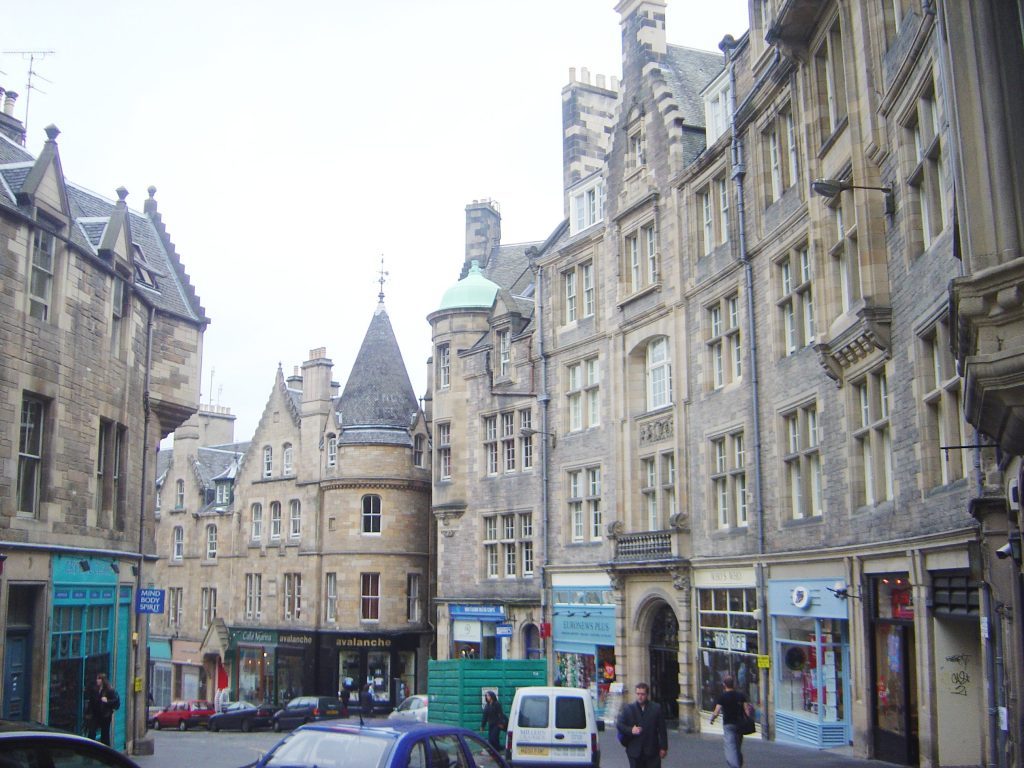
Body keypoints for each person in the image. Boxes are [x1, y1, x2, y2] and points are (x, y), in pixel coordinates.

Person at [616, 682, 667, 768]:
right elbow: (619, 725)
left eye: (642, 694)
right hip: (635, 751)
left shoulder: (656, 708)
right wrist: (630, 730)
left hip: (652, 751)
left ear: (647, 695)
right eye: (638, 694)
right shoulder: (628, 709)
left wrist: (664, 747)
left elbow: (662, 729)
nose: (640, 696)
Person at [709, 675, 754, 768]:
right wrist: (748, 719)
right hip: (740, 724)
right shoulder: (740, 695)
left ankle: (735, 766)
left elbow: (717, 711)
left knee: (730, 746)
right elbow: (747, 710)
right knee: (737, 746)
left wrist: (712, 719)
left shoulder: (722, 696)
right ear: (734, 684)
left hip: (728, 724)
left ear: (724, 685)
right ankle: (739, 762)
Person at [85, 673, 120, 746]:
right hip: (96, 714)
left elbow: (115, 701)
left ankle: (106, 751)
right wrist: (88, 713)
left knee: (105, 735)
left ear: (102, 680)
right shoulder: (95, 689)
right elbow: (91, 702)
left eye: (98, 679)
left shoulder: (109, 690)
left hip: (105, 715)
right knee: (91, 733)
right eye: (97, 678)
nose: (97, 680)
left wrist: (107, 701)